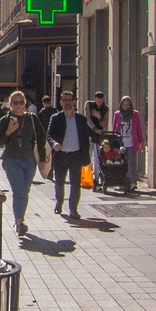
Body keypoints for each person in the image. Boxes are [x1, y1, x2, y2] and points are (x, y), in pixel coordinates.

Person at [0, 90, 47, 237]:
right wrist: (9, 131)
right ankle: (19, 222)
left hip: (29, 160)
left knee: (25, 190)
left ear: (25, 103)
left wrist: (42, 159)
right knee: (19, 191)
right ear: (10, 104)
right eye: (15, 103)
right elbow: (0, 141)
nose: (18, 105)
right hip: (12, 160)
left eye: (21, 102)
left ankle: (19, 220)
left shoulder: (32, 118)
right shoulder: (6, 120)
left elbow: (41, 138)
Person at [47, 88, 94, 220]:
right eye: (64, 100)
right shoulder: (56, 118)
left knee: (75, 183)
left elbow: (85, 138)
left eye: (69, 100)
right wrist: (54, 144)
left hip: (76, 156)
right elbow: (49, 135)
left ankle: (73, 209)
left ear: (74, 102)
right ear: (61, 103)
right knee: (59, 182)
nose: (67, 102)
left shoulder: (81, 119)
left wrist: (86, 156)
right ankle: (60, 201)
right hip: (61, 154)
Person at [110, 96, 145, 192]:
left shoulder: (135, 114)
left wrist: (141, 142)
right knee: (120, 163)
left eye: (127, 105)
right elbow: (114, 129)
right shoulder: (117, 114)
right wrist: (113, 142)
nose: (125, 107)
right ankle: (121, 182)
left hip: (131, 143)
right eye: (124, 105)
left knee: (131, 163)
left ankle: (132, 183)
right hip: (120, 143)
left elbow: (138, 129)